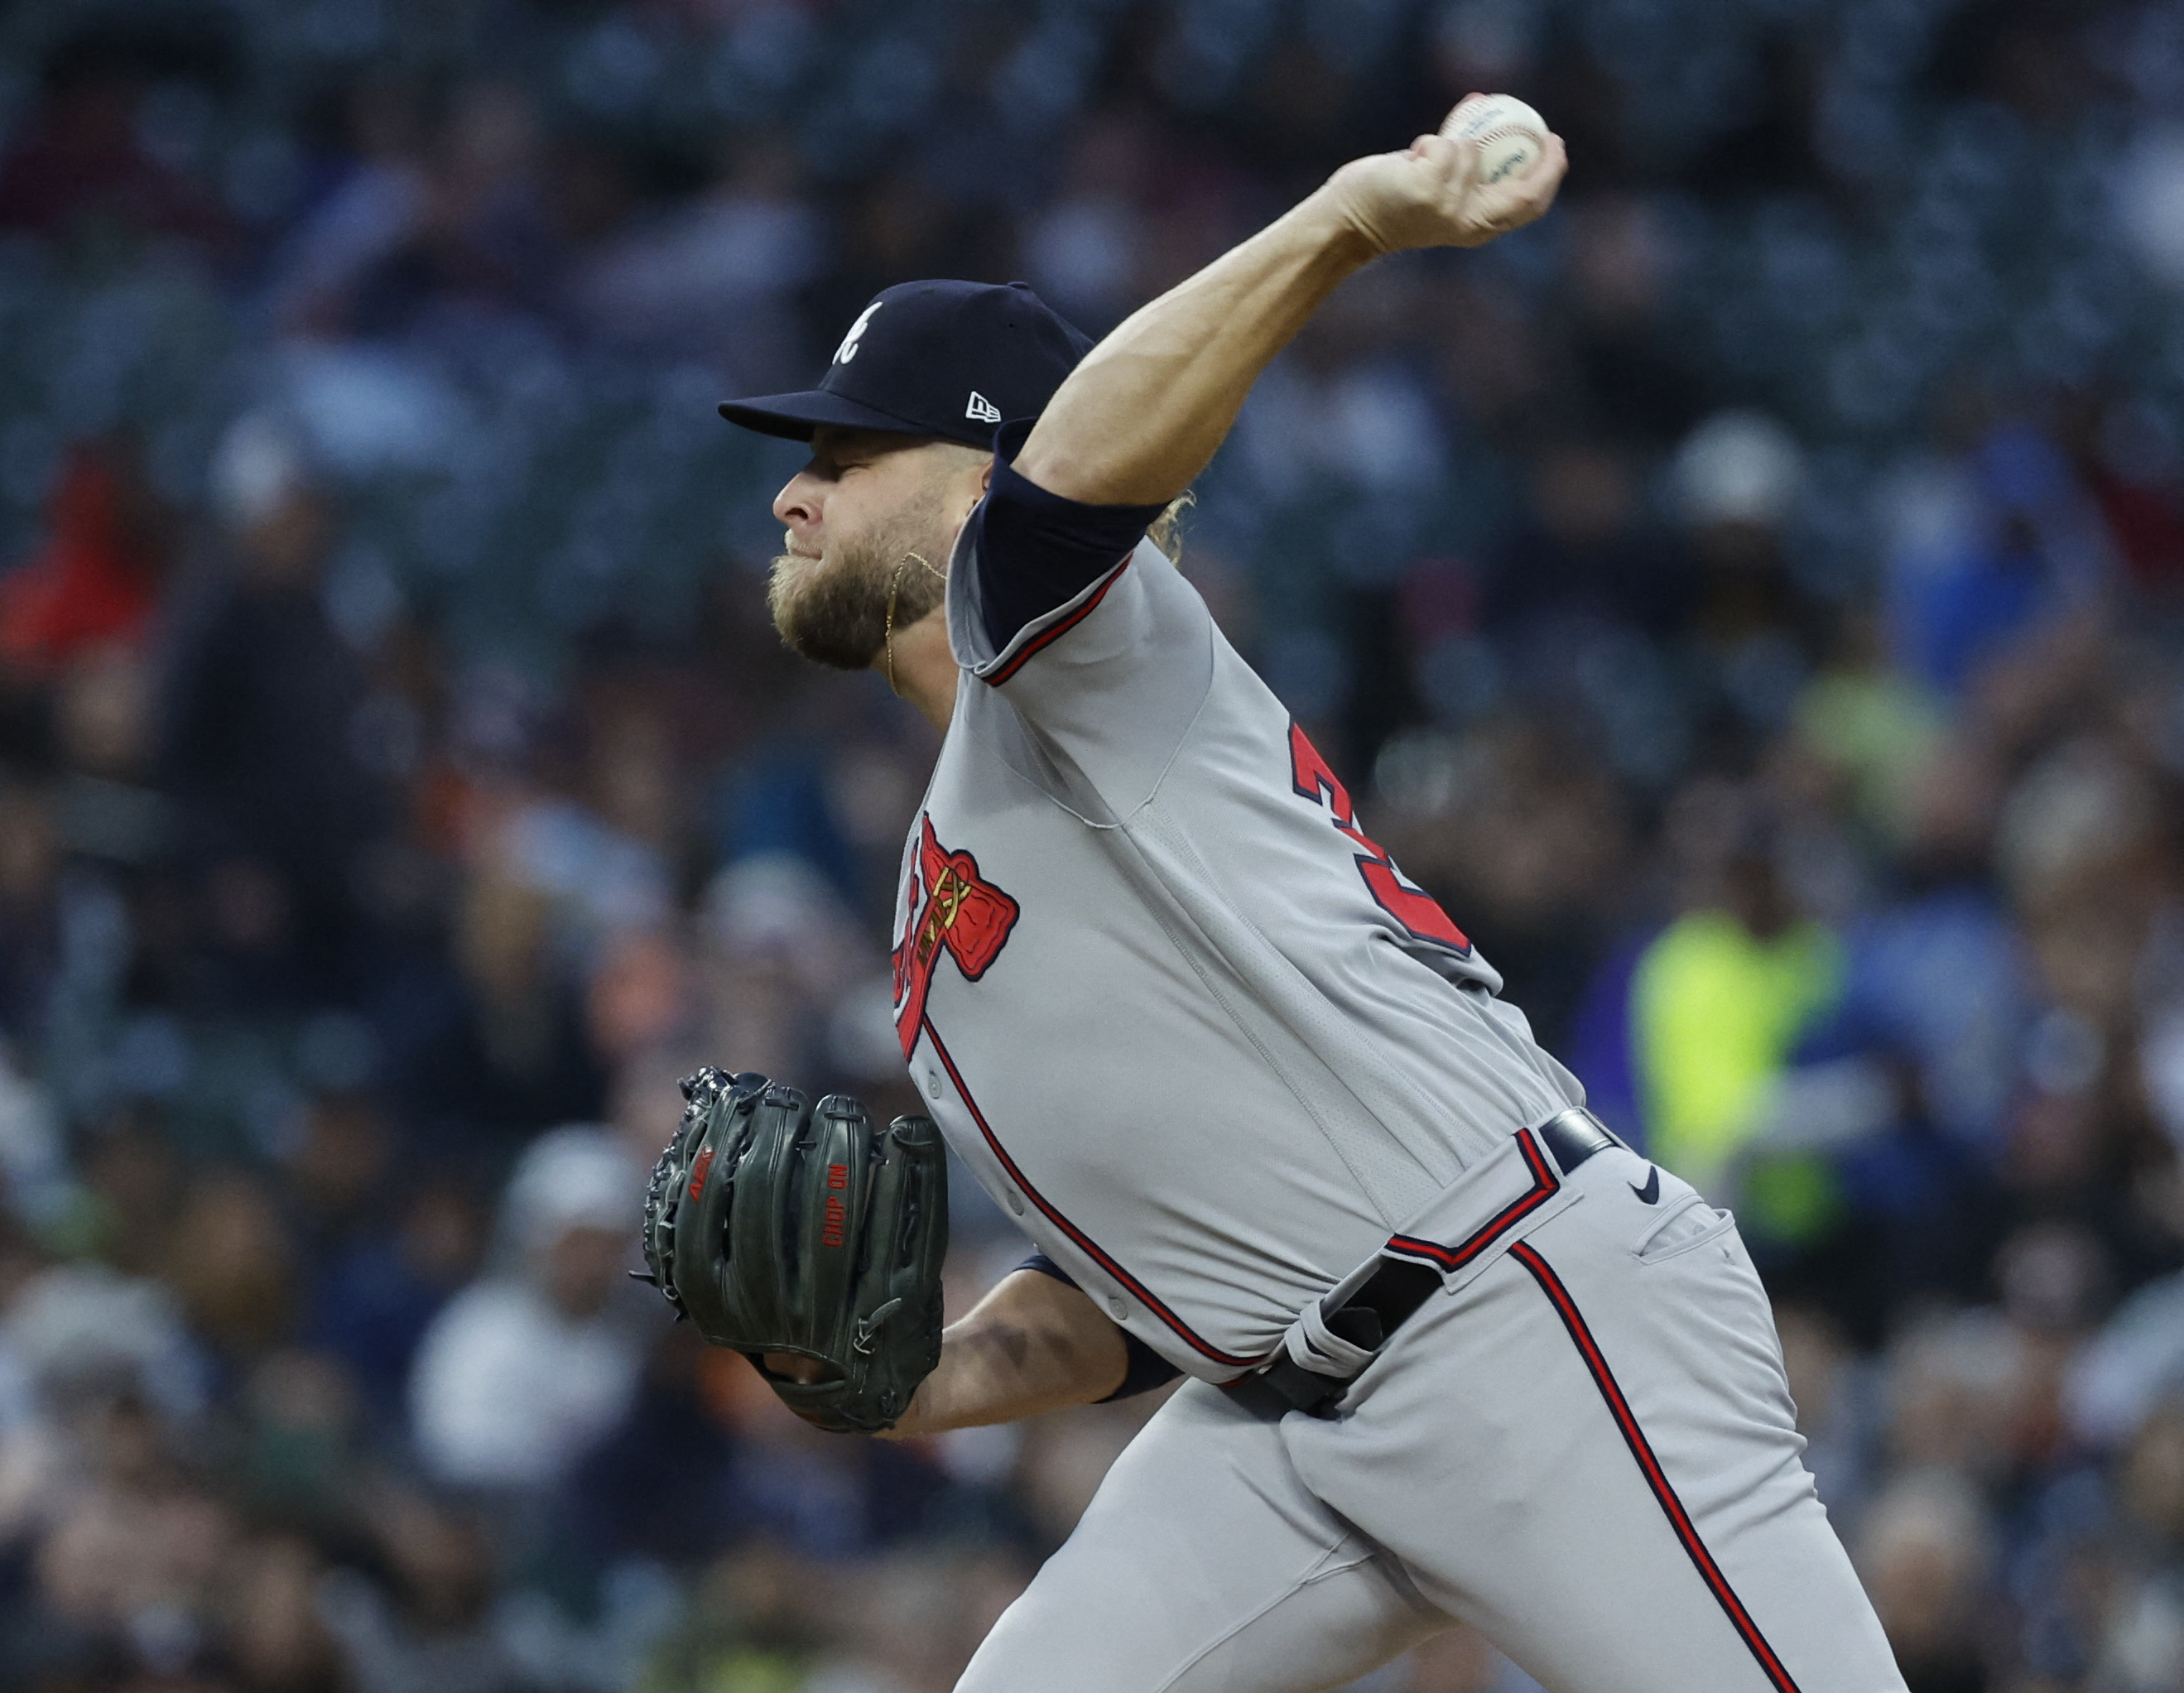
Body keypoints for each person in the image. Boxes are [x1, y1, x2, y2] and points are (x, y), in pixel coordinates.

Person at [712, 100, 1905, 1691]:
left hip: (1521, 1315)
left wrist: (1351, 213)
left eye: (847, 454)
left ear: (985, 469)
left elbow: (1066, 499)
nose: (796, 495)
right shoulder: (946, 883)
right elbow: (1140, 1299)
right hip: (1277, 1425)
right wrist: (915, 1383)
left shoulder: (1092, 648)